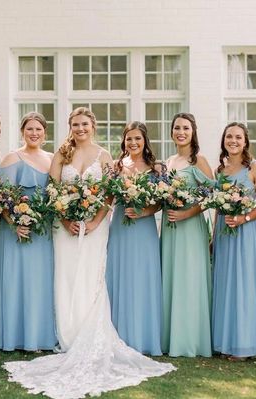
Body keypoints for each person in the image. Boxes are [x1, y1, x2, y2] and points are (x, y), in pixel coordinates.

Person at [3, 107, 174, 399]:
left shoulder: (105, 156)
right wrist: (66, 217)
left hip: (96, 227)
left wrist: (95, 221)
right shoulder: (62, 154)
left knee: (91, 277)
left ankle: (89, 333)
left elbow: (109, 192)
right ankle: (67, 334)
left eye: (84, 123)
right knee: (67, 276)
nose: (80, 128)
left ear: (93, 125)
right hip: (65, 226)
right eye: (75, 124)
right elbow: (53, 190)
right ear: (70, 126)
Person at [0, 112, 57, 351]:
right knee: (18, 281)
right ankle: (16, 338)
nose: (34, 133)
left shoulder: (53, 159)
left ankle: (40, 337)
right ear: (22, 132)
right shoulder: (13, 157)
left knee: (41, 282)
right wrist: (14, 223)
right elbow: (1, 197)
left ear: (45, 133)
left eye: (38, 129)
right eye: (29, 129)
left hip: (43, 232)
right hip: (17, 232)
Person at [212, 122, 256, 360]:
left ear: (246, 141)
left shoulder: (255, 169)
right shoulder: (221, 171)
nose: (233, 141)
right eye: (229, 137)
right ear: (224, 141)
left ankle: (244, 345)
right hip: (224, 234)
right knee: (227, 286)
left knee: (244, 286)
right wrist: (214, 234)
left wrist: (244, 217)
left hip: (246, 233)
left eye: (238, 137)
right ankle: (226, 341)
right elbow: (218, 206)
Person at [106, 121, 163, 355]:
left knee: (143, 276)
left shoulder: (156, 167)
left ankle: (145, 336)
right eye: (129, 138)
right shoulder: (116, 166)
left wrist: (145, 211)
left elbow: (162, 201)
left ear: (145, 140)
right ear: (124, 141)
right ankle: (119, 335)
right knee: (120, 274)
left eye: (137, 138)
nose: (133, 142)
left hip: (144, 227)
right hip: (121, 224)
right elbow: (108, 198)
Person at [161, 113, 213, 357]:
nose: (181, 132)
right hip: (170, 228)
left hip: (189, 226)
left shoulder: (198, 161)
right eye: (177, 128)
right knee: (171, 278)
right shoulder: (169, 161)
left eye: (186, 128)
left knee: (189, 279)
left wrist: (186, 213)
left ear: (193, 132)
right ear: (172, 132)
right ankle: (171, 337)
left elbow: (211, 196)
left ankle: (191, 339)